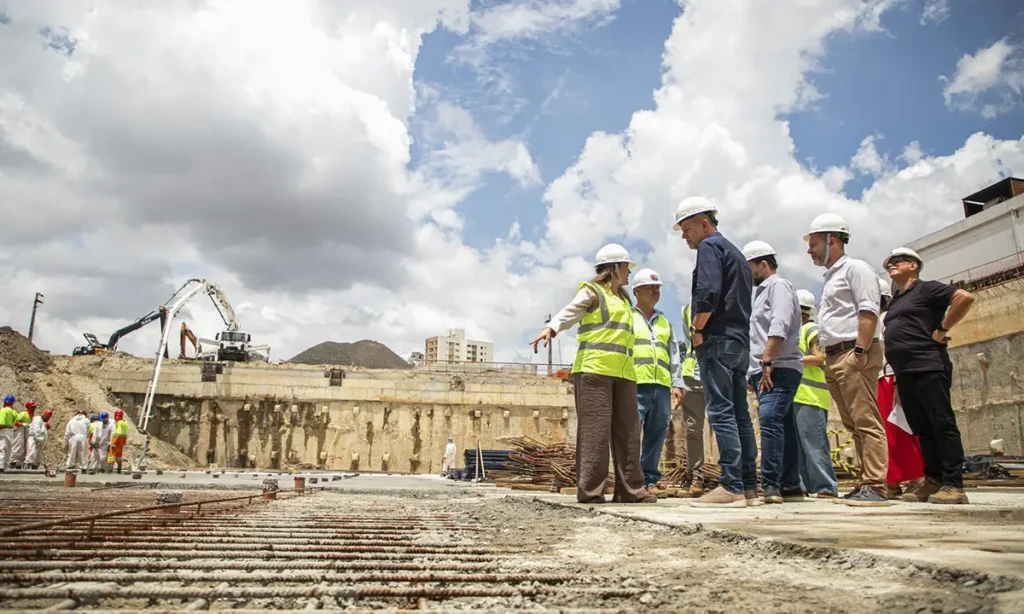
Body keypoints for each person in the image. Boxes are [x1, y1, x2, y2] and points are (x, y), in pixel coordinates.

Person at [531, 243, 655, 504]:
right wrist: (552, 328)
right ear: (615, 268)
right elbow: (571, 311)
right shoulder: (592, 292)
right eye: (626, 267)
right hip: (594, 371)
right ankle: (591, 492)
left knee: (629, 433)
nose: (630, 272)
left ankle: (631, 491)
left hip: (624, 373)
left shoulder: (623, 298)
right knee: (595, 434)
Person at [673, 197, 755, 509]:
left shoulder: (710, 248)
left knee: (720, 411)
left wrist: (697, 330)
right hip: (739, 342)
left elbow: (707, 292)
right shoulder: (736, 253)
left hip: (717, 340)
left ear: (705, 224)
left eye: (687, 228)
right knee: (739, 414)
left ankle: (731, 484)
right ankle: (747, 486)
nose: (685, 236)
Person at [805, 213, 888, 507]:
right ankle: (868, 481)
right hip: (836, 356)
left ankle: (876, 485)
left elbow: (868, 310)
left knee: (866, 419)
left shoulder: (857, 269)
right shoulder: (831, 277)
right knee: (854, 423)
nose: (809, 250)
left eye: (814, 244)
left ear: (832, 240)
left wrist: (861, 353)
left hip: (854, 353)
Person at [883, 247, 976, 505]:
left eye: (897, 261)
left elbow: (964, 298)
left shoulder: (927, 289)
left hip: (928, 365)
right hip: (906, 372)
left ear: (913, 265)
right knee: (922, 428)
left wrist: (942, 328)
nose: (890, 265)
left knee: (941, 423)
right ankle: (933, 479)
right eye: (889, 263)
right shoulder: (897, 300)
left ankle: (953, 483)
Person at [742, 241, 805, 505]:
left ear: (764, 265)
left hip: (777, 367)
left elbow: (780, 321)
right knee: (784, 425)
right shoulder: (761, 293)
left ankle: (771, 484)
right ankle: (790, 483)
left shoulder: (777, 286)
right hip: (764, 368)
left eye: (750, 269)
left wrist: (767, 360)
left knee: (768, 420)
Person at [630, 268, 685, 494]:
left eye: (658, 288)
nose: (655, 291)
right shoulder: (627, 317)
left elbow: (674, 355)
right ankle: (631, 479)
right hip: (634, 383)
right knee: (632, 432)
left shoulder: (664, 322)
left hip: (661, 386)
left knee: (657, 432)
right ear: (636, 290)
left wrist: (677, 383)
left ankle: (649, 479)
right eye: (651, 287)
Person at [875, 277, 925, 500]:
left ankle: (916, 478)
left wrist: (896, 383)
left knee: (900, 431)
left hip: (889, 377)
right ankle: (893, 480)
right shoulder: (877, 320)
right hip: (881, 378)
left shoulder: (886, 320)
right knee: (889, 433)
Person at [792, 289, 839, 499]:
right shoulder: (793, 333)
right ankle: (804, 486)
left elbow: (819, 358)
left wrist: (792, 362)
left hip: (810, 396)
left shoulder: (810, 329)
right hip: (797, 396)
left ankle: (826, 486)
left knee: (814, 445)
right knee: (798, 448)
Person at [678, 303, 707, 497]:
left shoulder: (725, 300)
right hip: (692, 373)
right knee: (693, 428)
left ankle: (734, 477)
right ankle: (696, 475)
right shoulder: (686, 309)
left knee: (726, 424)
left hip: (718, 368)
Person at [10, 401, 34, 469]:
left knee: (27, 447)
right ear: (28, 407)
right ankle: (13, 461)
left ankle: (20, 463)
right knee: (18, 445)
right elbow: (16, 422)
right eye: (32, 407)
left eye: (34, 407)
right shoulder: (23, 414)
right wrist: (22, 424)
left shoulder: (32, 416)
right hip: (20, 430)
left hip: (27, 431)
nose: (33, 408)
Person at [0, 395, 16, 471]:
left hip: (3, 431)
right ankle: (5, 466)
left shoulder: (3, 410)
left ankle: (0, 466)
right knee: (8, 450)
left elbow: (1, 423)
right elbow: (17, 422)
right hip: (10, 432)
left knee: (1, 449)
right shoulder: (13, 411)